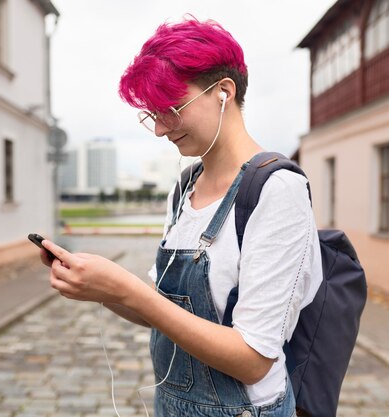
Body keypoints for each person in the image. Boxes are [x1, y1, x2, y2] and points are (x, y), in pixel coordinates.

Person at [41, 16, 323, 417]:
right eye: (152, 114)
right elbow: (165, 313)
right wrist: (100, 286)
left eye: (170, 108)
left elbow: (253, 359)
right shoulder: (186, 187)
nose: (159, 129)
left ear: (224, 92)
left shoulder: (277, 191)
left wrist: (125, 289)